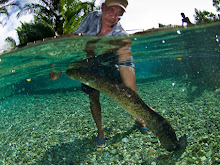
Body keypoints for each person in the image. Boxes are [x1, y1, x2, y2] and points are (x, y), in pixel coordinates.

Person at [50, 0, 149, 148]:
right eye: (111, 10)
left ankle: (138, 119)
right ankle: (101, 132)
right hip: (89, 62)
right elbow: (76, 40)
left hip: (109, 61)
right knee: (93, 97)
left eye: (119, 13)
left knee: (125, 93)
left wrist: (137, 100)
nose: (114, 16)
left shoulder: (121, 35)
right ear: (103, 7)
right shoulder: (92, 17)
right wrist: (60, 62)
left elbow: (126, 63)